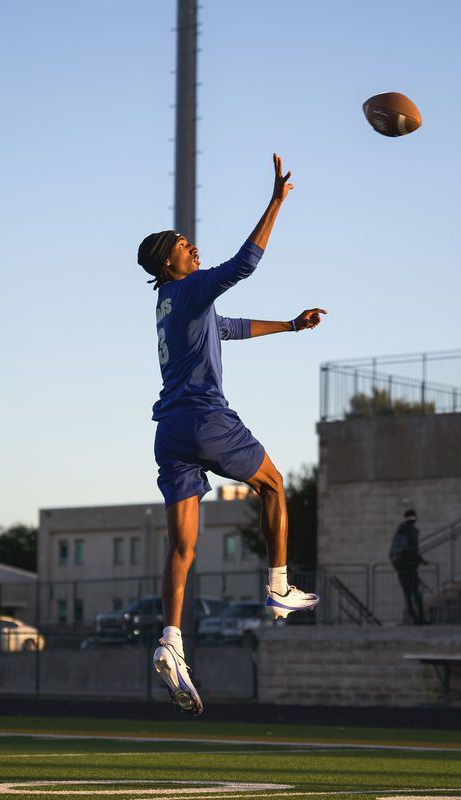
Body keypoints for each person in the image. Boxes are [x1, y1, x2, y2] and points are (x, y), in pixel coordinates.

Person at [137, 154, 326, 716]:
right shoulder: (190, 288)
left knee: (182, 547)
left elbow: (232, 327)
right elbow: (245, 263)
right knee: (273, 484)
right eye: (183, 244)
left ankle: (170, 643)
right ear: (168, 262)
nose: (192, 246)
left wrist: (291, 325)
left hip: (170, 431)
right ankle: (278, 585)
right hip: (204, 419)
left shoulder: (173, 305)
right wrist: (275, 201)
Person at [390, 509, 428, 626]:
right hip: (410, 567)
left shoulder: (399, 530)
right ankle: (420, 619)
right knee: (416, 594)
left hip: (400, 567)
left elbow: (393, 551)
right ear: (414, 518)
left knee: (407, 594)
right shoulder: (411, 531)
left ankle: (415, 618)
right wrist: (421, 560)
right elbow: (410, 550)